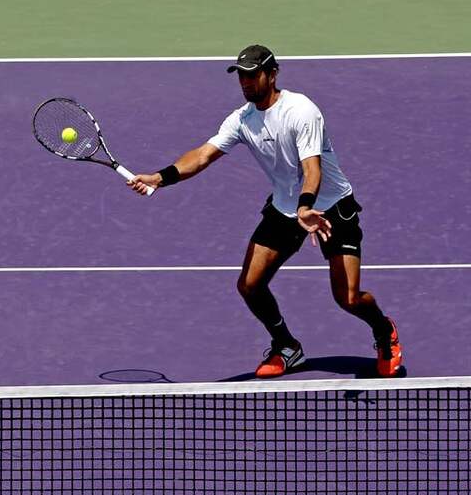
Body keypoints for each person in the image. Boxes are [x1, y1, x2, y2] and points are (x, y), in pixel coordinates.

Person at [128, 45, 402, 378]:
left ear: (272, 75)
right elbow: (202, 155)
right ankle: (287, 347)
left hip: (330, 208)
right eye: (241, 76)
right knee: (250, 285)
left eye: (252, 75)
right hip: (285, 207)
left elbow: (311, 169)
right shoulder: (242, 119)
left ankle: (383, 330)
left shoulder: (301, 110)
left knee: (347, 298)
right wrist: (160, 177)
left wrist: (306, 207)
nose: (246, 83)